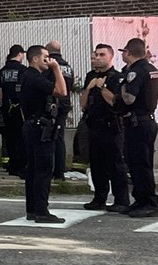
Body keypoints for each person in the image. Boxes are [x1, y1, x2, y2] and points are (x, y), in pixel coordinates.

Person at [109, 37, 158, 218]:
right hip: (146, 120)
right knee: (138, 162)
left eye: (124, 52)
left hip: (137, 122)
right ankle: (141, 199)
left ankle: (148, 201)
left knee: (139, 164)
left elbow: (129, 98)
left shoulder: (135, 71)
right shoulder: (152, 69)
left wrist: (119, 92)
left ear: (127, 52)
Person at [19, 44, 68, 223]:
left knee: (33, 169)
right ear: (35, 59)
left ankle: (32, 209)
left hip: (32, 126)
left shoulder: (27, 76)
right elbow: (62, 91)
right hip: (40, 128)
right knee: (43, 170)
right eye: (46, 56)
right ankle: (41, 211)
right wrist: (56, 69)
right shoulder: (35, 78)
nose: (49, 59)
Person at [79, 43, 130, 212]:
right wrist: (90, 87)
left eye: (102, 55)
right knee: (96, 164)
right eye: (96, 55)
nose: (98, 58)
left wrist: (101, 87)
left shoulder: (117, 77)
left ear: (110, 57)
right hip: (94, 125)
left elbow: (114, 102)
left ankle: (121, 200)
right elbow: (83, 105)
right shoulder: (91, 76)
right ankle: (99, 198)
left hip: (112, 126)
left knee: (115, 164)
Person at [0, 45, 27, 177]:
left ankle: (12, 166)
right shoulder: (23, 70)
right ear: (20, 54)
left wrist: (3, 106)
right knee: (21, 138)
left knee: (10, 138)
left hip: (6, 108)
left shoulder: (2, 71)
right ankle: (21, 166)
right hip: (20, 109)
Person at [45, 40, 75, 180]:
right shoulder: (68, 66)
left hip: (54, 104)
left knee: (51, 137)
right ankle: (60, 170)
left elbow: (48, 86)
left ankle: (54, 170)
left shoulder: (50, 65)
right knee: (60, 137)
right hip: (65, 104)